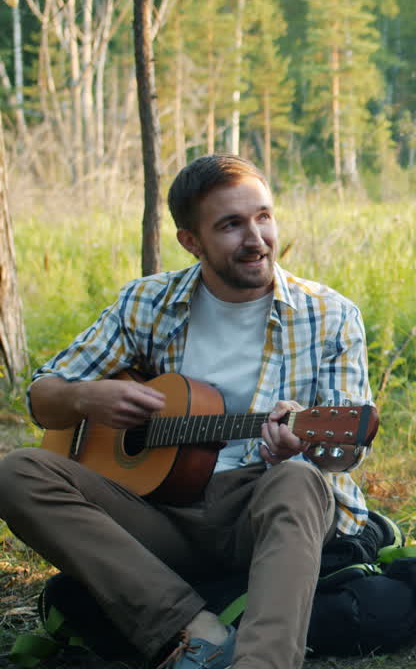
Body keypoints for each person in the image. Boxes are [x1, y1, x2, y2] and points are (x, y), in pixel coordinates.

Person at [0, 155, 374, 669]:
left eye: (263, 216)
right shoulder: (146, 304)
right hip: (159, 514)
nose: (255, 238)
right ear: (190, 241)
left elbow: (344, 453)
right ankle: (192, 630)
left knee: (300, 479)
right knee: (17, 472)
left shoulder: (330, 314)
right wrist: (87, 398)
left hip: (260, 512)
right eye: (230, 225)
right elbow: (44, 395)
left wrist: (305, 447)